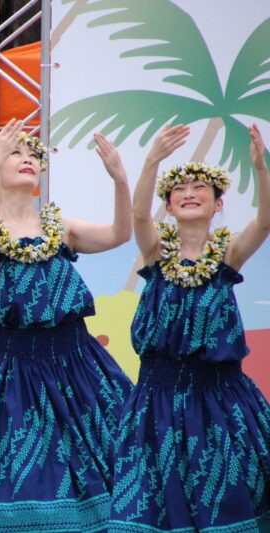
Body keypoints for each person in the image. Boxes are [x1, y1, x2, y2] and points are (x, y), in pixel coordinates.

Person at [0, 120, 134, 532]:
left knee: (111, 459)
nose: (27, 159)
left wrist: (119, 180)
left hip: (79, 363)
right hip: (17, 371)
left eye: (32, 155)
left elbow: (120, 234)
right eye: (15, 154)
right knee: (30, 474)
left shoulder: (62, 229)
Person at [109, 124, 270, 532]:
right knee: (153, 501)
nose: (189, 193)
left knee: (222, 496)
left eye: (201, 187)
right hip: (157, 398)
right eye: (179, 189)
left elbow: (265, 222)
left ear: (217, 204)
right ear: (170, 204)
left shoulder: (228, 256)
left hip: (219, 397)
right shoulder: (155, 254)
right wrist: (152, 160)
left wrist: (260, 168)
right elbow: (140, 214)